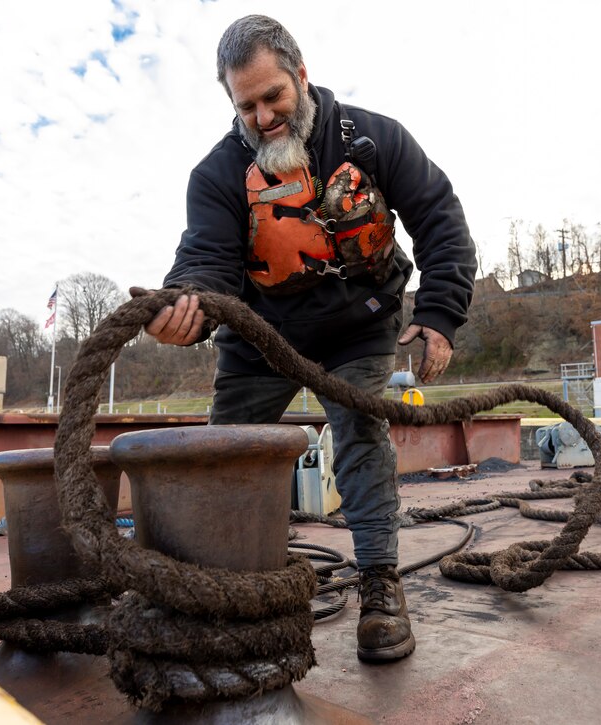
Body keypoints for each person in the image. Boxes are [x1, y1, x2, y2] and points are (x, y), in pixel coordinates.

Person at [145, 15, 476, 663]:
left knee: (358, 430)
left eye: (274, 97)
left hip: (360, 322)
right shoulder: (216, 175)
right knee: (224, 451)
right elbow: (205, 260)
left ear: (301, 75)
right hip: (261, 335)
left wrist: (440, 314)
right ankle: (221, 587)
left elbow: (439, 216)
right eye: (247, 105)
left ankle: (381, 585)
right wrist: (184, 305)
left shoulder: (374, 139)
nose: (263, 116)